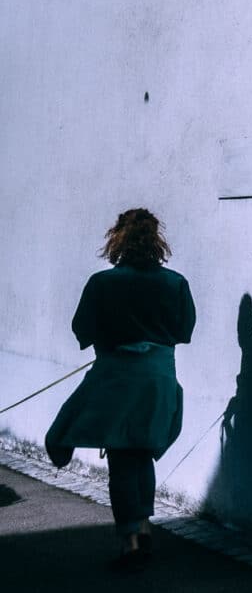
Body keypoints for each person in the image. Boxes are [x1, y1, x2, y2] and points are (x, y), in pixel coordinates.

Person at [46, 208, 196, 570]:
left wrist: (112, 338)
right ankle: (142, 526)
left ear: (118, 238)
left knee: (121, 458)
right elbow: (184, 330)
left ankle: (131, 543)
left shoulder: (102, 283)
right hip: (158, 379)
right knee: (142, 453)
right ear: (156, 239)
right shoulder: (175, 283)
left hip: (116, 377)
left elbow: (83, 328)